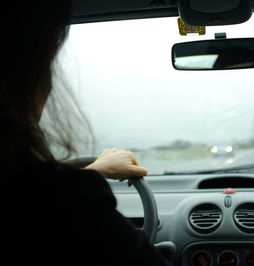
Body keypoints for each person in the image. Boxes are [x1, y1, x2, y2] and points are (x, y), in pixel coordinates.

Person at [1, 1, 168, 265]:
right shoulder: (71, 205)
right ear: (26, 75)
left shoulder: (40, 195)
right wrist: (80, 184)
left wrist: (94, 172)